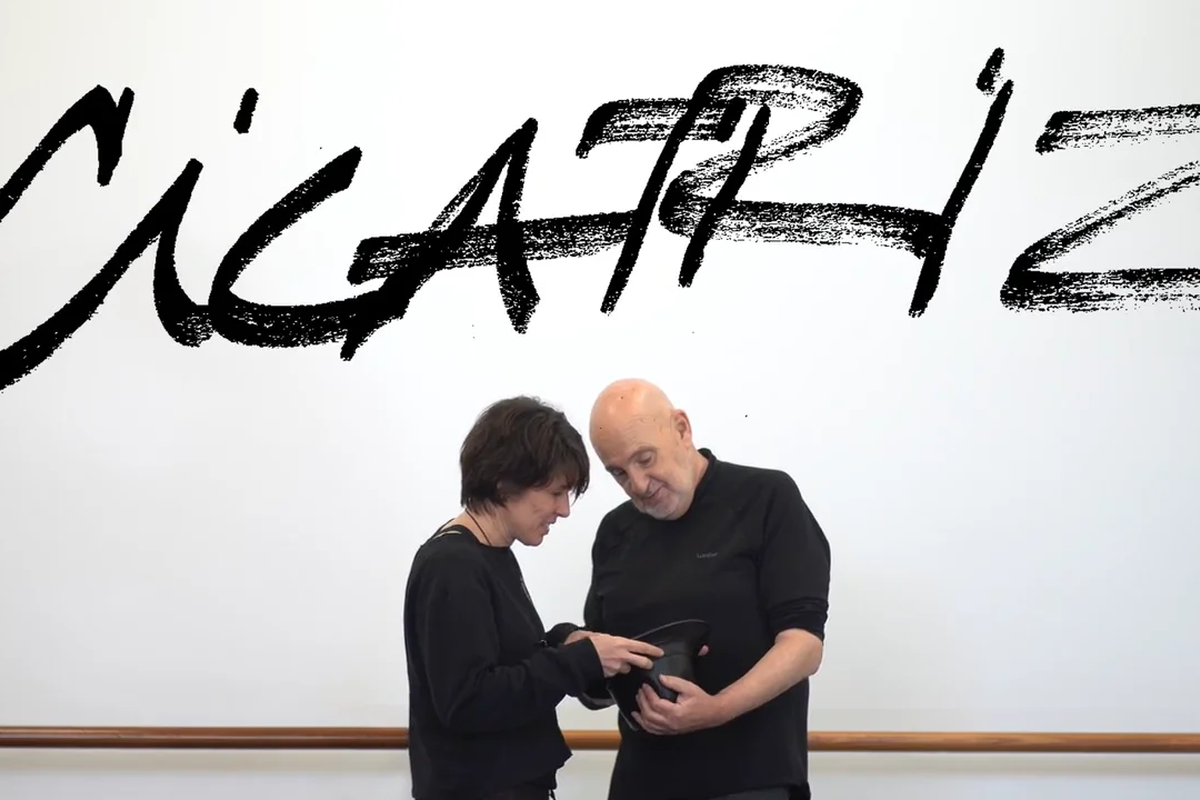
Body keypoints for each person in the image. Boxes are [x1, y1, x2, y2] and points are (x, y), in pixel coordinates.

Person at [577, 379, 832, 800]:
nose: (637, 484)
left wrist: (718, 709)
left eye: (645, 459)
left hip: (750, 780)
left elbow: (803, 646)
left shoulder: (766, 498)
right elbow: (604, 664)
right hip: (643, 781)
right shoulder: (615, 532)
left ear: (682, 429)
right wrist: (572, 650)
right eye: (618, 472)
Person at [403, 395, 665, 800]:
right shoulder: (453, 565)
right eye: (556, 492)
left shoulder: (489, 554)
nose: (564, 510)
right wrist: (581, 660)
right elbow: (469, 700)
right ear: (505, 483)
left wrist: (565, 640)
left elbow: (506, 660)